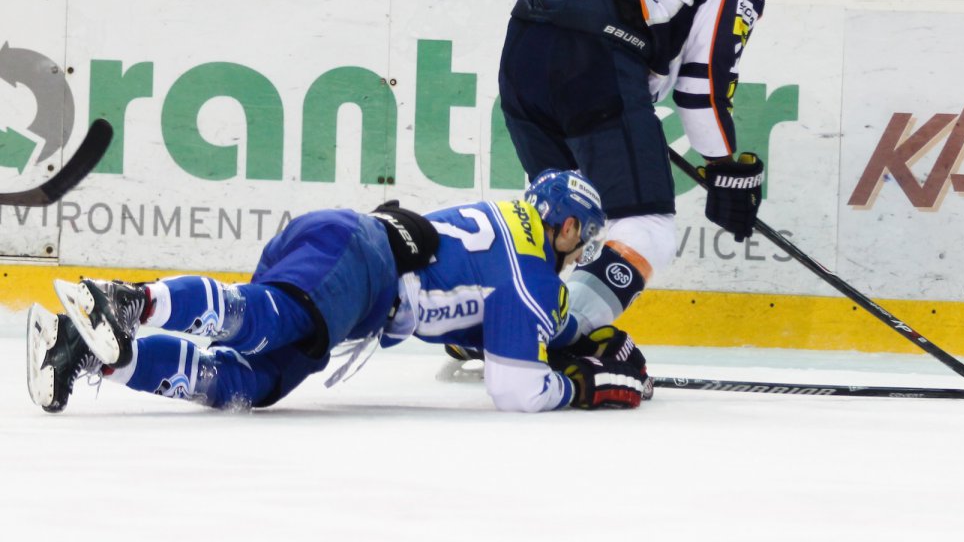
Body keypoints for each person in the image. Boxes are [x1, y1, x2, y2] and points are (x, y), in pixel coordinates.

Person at [26, 169, 650, 413]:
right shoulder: (532, 275)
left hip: (351, 260)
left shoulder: (512, 230)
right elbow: (517, 390)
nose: (582, 253)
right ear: (568, 227)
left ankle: (91, 352)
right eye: (585, 238)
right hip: (360, 263)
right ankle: (130, 302)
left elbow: (479, 321)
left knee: (251, 385)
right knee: (266, 319)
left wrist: (563, 343)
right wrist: (584, 384)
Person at [498, 0, 777, 345]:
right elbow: (701, 85)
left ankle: (496, 320)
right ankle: (553, 335)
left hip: (522, 56)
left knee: (562, 214)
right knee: (647, 228)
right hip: (597, 73)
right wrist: (722, 167)